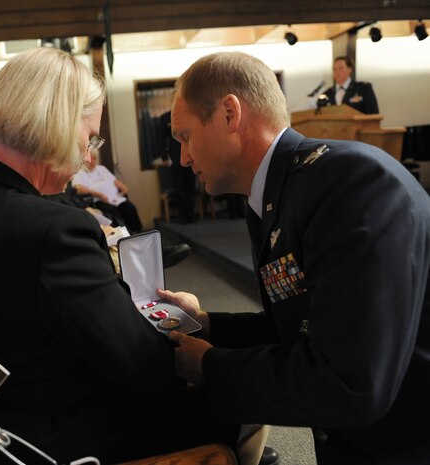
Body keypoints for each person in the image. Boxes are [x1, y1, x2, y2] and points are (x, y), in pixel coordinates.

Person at [0, 48, 237, 465]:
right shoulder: (52, 228)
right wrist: (189, 339)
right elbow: (144, 366)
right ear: (56, 122)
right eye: (89, 136)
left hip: (0, 427)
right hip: (63, 437)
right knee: (233, 395)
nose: (89, 156)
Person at [162, 51, 430, 465]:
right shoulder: (280, 192)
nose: (183, 158)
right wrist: (210, 325)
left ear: (230, 114)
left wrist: (211, 367)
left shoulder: (349, 185)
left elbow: (349, 382)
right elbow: (300, 329)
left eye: (185, 136)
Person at [72, 148, 143, 233]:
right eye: (90, 158)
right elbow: (78, 188)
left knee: (129, 207)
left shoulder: (101, 169)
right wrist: (98, 194)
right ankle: (125, 235)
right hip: (98, 201)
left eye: (94, 158)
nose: (92, 161)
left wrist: (123, 186)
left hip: (115, 197)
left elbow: (115, 181)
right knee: (114, 214)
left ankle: (137, 232)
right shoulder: (80, 173)